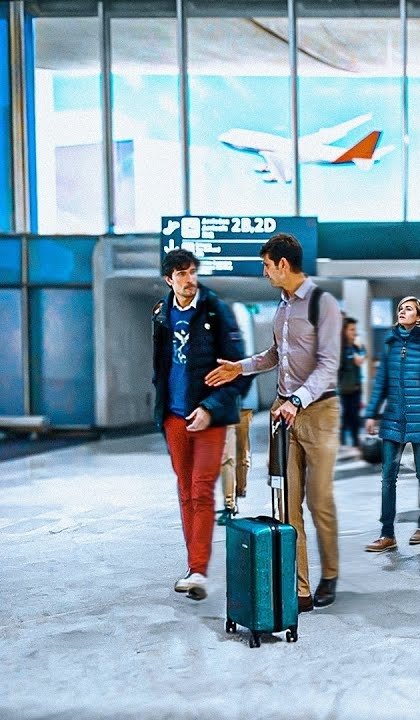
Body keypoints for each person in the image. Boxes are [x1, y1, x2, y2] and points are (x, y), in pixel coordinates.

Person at [205, 233, 342, 612]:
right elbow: (274, 355)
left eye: (266, 265)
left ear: (282, 264)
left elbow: (329, 365)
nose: (264, 272)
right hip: (284, 414)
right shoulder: (282, 307)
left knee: (319, 502)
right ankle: (300, 590)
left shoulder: (321, 304)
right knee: (286, 504)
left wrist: (298, 400)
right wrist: (240, 367)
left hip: (318, 411)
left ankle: (329, 575)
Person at [152, 248, 247, 601]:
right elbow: (162, 368)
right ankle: (193, 564)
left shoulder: (216, 311)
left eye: (193, 272)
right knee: (185, 489)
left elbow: (238, 374)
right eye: (182, 274)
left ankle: (197, 568)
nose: (190, 279)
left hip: (209, 416)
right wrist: (162, 412)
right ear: (169, 279)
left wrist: (209, 407)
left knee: (202, 487)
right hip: (173, 416)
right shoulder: (162, 314)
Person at [362, 296, 420, 552]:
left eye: (408, 309)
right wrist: (372, 413)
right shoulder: (390, 343)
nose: (402, 311)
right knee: (388, 477)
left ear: (419, 316)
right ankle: (387, 534)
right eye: (400, 308)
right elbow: (382, 382)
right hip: (394, 417)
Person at [216, 384, 253, 526]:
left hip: (245, 406)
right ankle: (229, 503)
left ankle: (238, 490)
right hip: (226, 406)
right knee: (227, 456)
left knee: (242, 453)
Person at [339, 317, 367, 448]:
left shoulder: (356, 346)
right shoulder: (341, 348)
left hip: (356, 387)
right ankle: (342, 441)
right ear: (344, 331)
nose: (354, 332)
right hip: (344, 389)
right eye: (351, 329)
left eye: (355, 329)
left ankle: (355, 441)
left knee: (354, 416)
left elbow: (363, 357)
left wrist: (360, 348)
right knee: (346, 416)